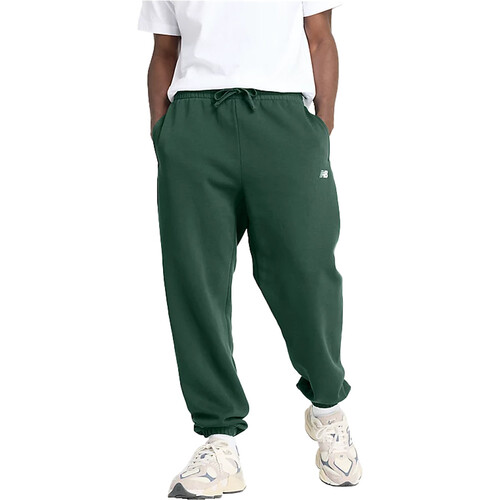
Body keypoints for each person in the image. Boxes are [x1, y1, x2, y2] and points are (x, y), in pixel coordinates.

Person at [138, 1, 362, 496]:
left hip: (284, 119)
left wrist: (319, 128)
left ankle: (328, 409)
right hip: (195, 123)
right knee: (195, 281)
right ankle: (219, 439)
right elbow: (164, 50)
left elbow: (320, 37)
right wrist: (163, 132)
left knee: (307, 274)